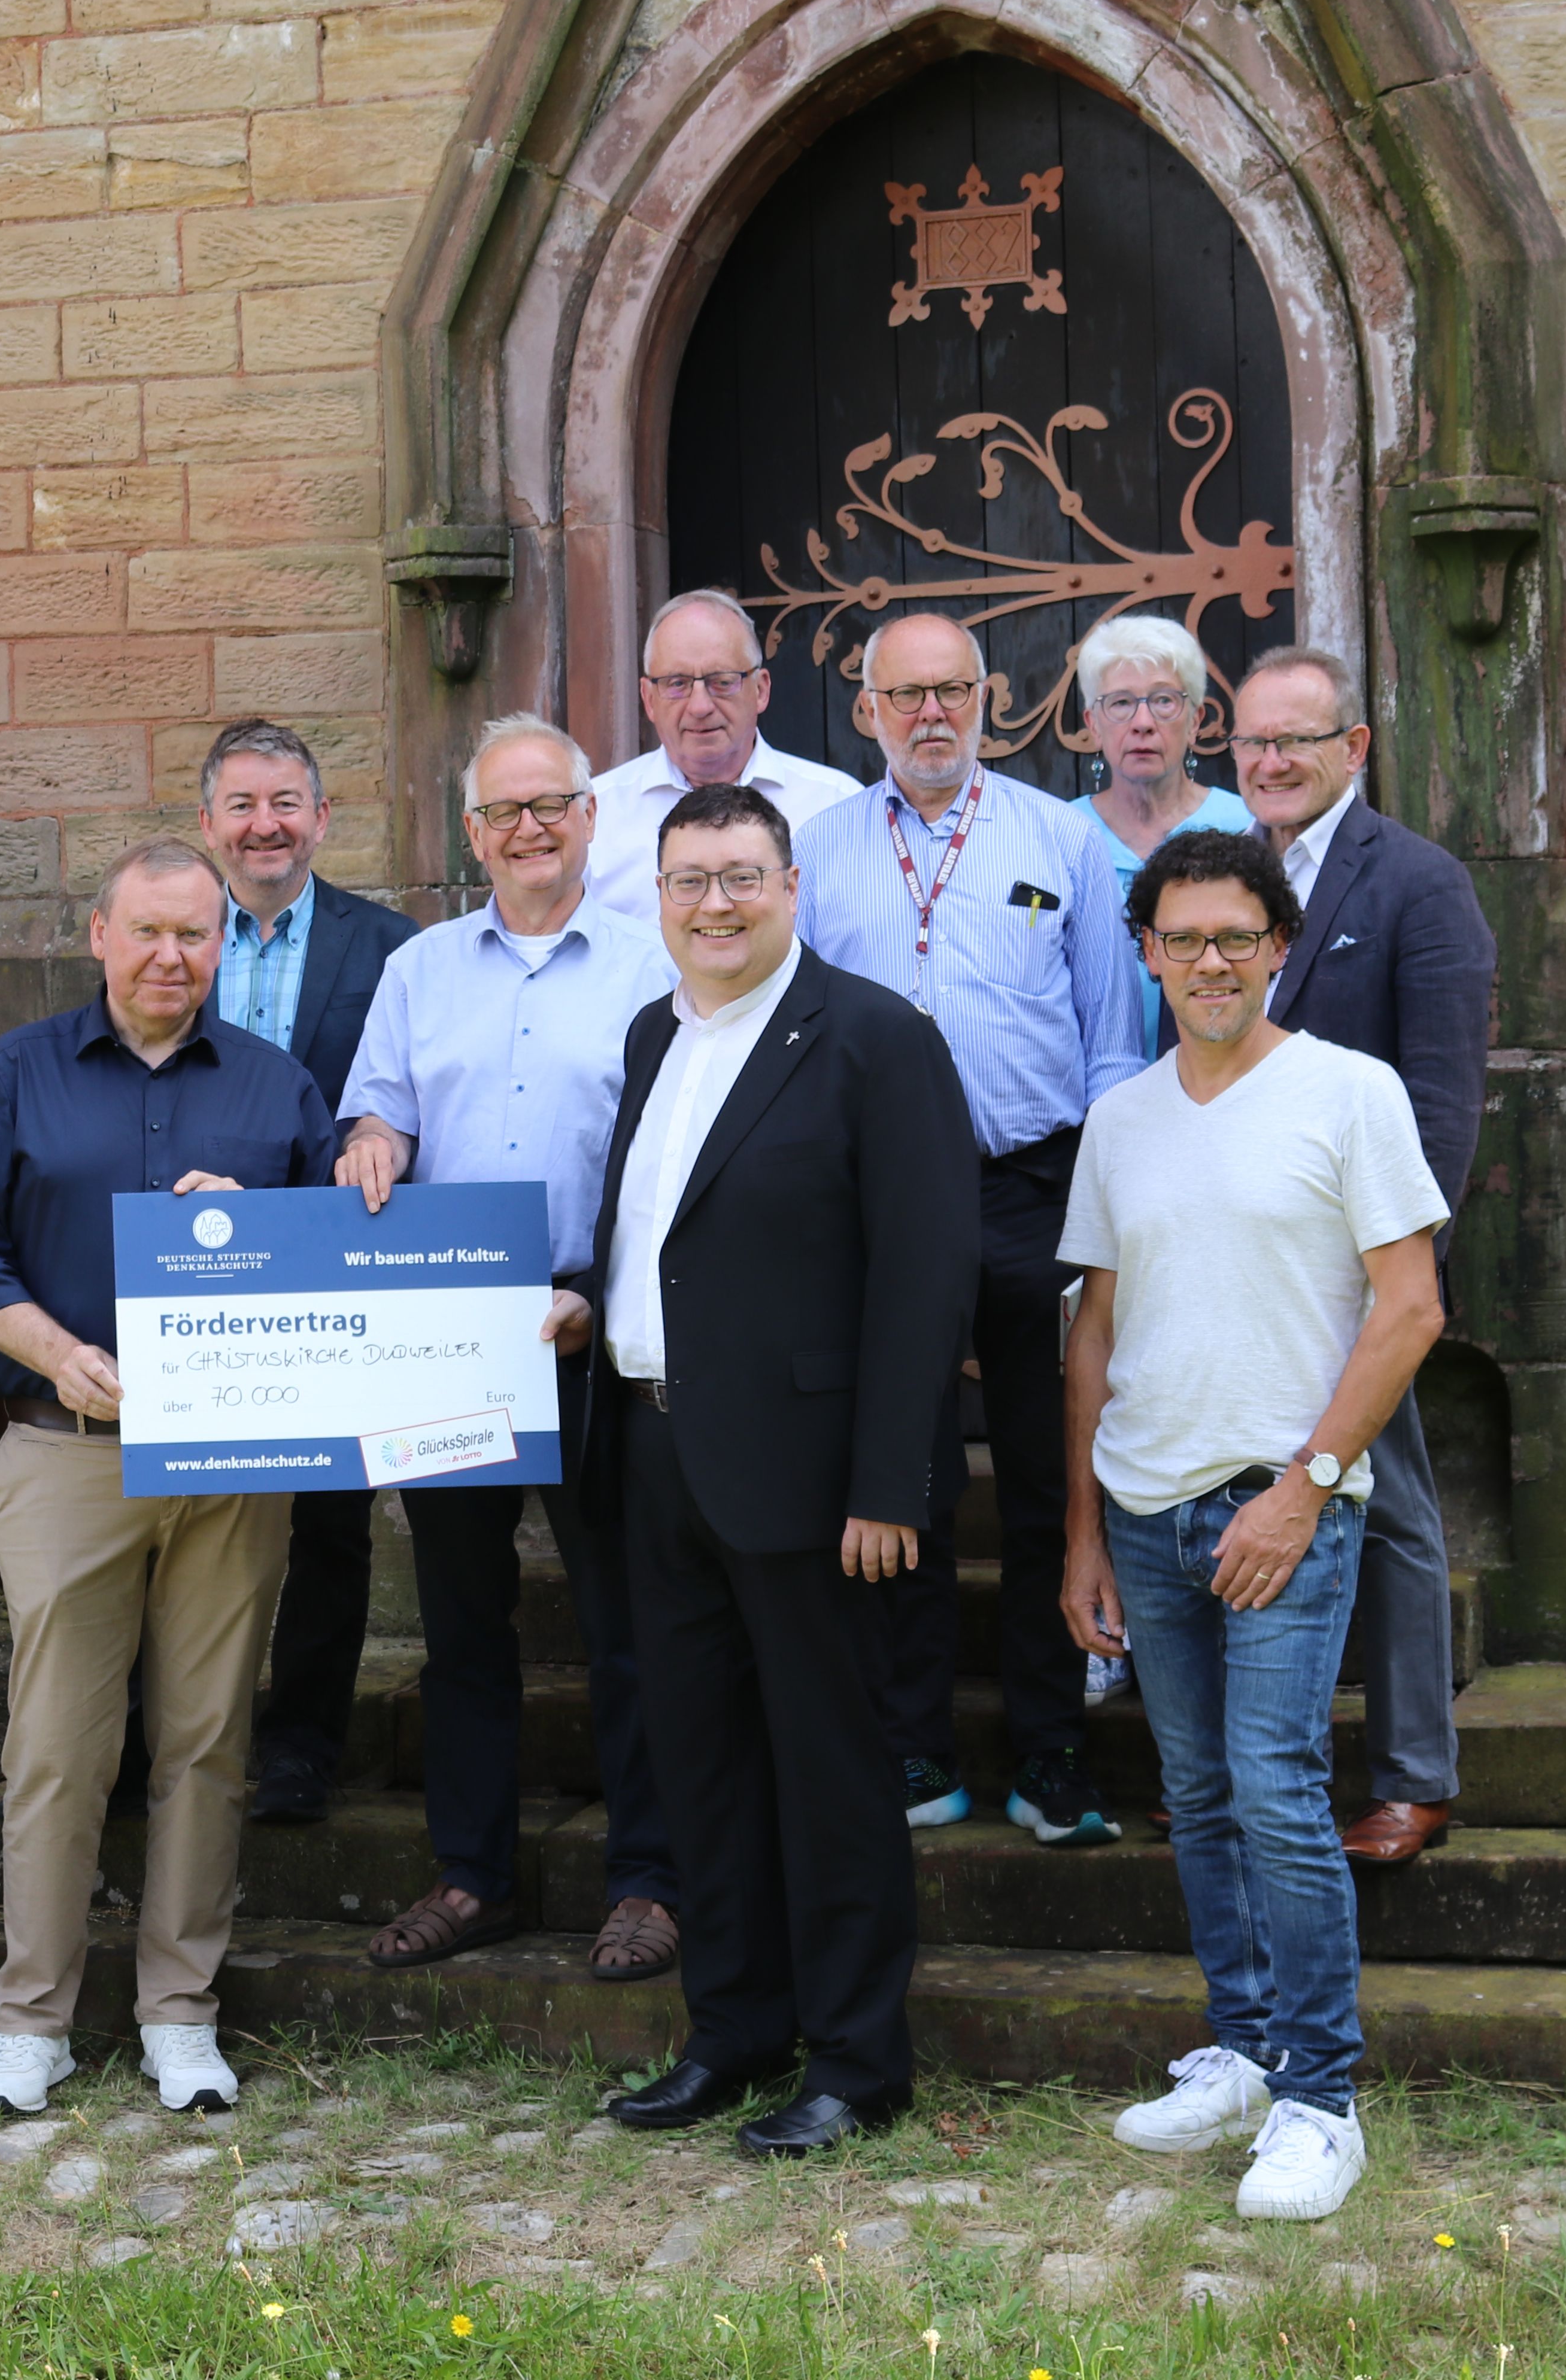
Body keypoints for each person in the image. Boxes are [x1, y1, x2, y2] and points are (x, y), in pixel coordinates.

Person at [581, 782, 978, 2156]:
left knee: (831, 1772)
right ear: (658, 895)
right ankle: (735, 2030)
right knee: (701, 1766)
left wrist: (891, 1481)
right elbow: (667, 1242)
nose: (717, 903)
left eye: (742, 875)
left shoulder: (874, 1036)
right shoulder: (653, 1034)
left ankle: (859, 2061)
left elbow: (925, 1271)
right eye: (690, 879)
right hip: (657, 1452)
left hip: (815, 1481)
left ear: (792, 886)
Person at [1058, 825, 1446, 2223]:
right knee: (1201, 1792)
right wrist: (1082, 1532)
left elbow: (1411, 1308)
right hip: (1144, 1505)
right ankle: (1243, 2046)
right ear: (1149, 954)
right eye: (1183, 938)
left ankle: (1321, 2098)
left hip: (1283, 1502)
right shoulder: (1121, 1119)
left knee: (1277, 1788)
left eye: (1235, 934)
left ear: (1278, 945)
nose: (1209, 959)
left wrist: (1307, 1484)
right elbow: (1094, 1333)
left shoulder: (1349, 1093)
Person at [0, 838, 344, 2120]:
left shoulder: (277, 1086)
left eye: (196, 935)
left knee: (208, 1740)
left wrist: (266, 1228)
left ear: (225, 944)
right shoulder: (13, 1075)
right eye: (149, 931)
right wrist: (59, 1354)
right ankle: (32, 2022)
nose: (173, 956)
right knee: (57, 1745)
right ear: (100, 933)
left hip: (232, 1461)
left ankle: (181, 2011)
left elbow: (337, 1266)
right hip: (67, 1449)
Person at [334, 715, 685, 1984]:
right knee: (462, 1622)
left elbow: (676, 1157)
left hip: (601, 1325)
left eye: (551, 804)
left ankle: (650, 1878)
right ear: (472, 834)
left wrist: (598, 1298)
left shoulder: (657, 966)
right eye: (503, 812)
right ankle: (471, 1873)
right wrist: (371, 1142)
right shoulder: (419, 969)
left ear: (592, 816)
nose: (529, 828)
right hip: (453, 1338)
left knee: (627, 1622)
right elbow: (379, 1110)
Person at [793, 613, 1143, 1849]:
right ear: (868, 710)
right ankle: (915, 1747)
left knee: (1050, 1478)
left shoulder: (1064, 838)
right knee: (906, 1474)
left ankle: (1052, 1752)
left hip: (1034, 1189)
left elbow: (1112, 1040)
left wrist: (1104, 1209)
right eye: (907, 695)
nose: (932, 713)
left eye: (953, 690)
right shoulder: (818, 851)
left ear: (989, 699)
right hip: (876, 1204)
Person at [1214, 645, 1496, 1866]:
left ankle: (1414, 1779)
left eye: (1297, 739)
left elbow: (1442, 1106)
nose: (1272, 761)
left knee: (1388, 1509)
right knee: (1230, 1492)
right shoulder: (1228, 877)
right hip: (1235, 1261)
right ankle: (1247, 1779)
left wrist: (1395, 1271)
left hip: (1356, 1271)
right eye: (1253, 741)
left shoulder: (1418, 884)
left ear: (1355, 748)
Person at [198, 718, 421, 1829]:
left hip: (338, 1265)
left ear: (322, 818)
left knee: (332, 1524)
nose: (265, 825)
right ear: (208, 825)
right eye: (242, 805)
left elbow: (411, 1093)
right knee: (192, 1510)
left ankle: (300, 1746)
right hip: (197, 1265)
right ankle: (173, 1735)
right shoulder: (172, 935)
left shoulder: (392, 948)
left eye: (285, 802)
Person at [584, 588, 860, 926]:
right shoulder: (594, 818)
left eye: (723, 682)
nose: (700, 707)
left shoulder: (838, 807)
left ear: (761, 689)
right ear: (649, 699)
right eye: (677, 683)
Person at [1070, 613, 1260, 1062]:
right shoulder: (1061, 834)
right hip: (1089, 1086)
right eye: (1120, 703)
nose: (1142, 722)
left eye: (1163, 701)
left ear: (1195, 721)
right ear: (1093, 724)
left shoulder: (1247, 828)